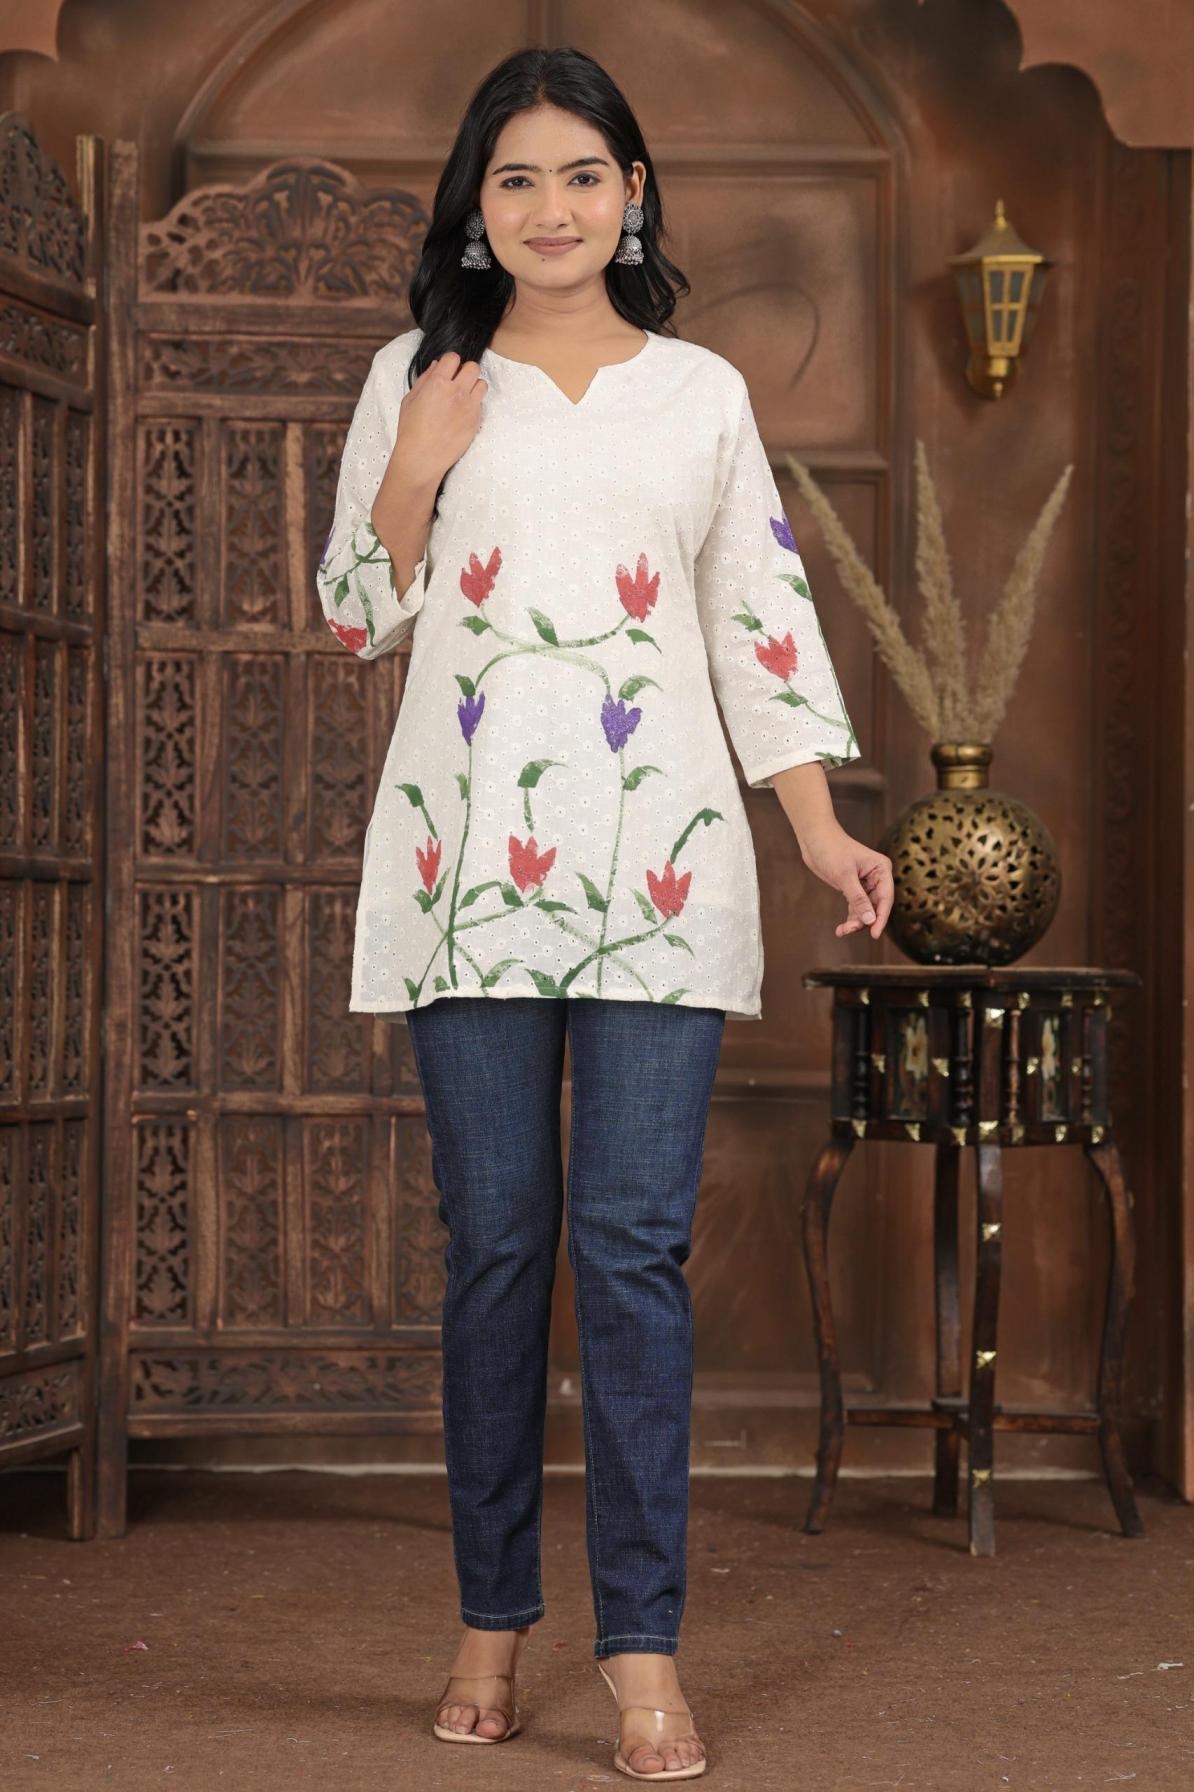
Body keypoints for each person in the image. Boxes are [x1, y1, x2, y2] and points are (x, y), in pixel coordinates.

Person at [316, 43, 893, 1783]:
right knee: (497, 1251)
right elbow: (355, 614)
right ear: (475, 208)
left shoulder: (698, 391)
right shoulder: (417, 374)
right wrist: (419, 459)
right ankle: (490, 1621)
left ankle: (642, 1650)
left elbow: (754, 626)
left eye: (581, 175)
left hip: (660, 871)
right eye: (516, 179)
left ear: (631, 193)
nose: (550, 207)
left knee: (631, 1258)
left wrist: (819, 834)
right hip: (465, 868)